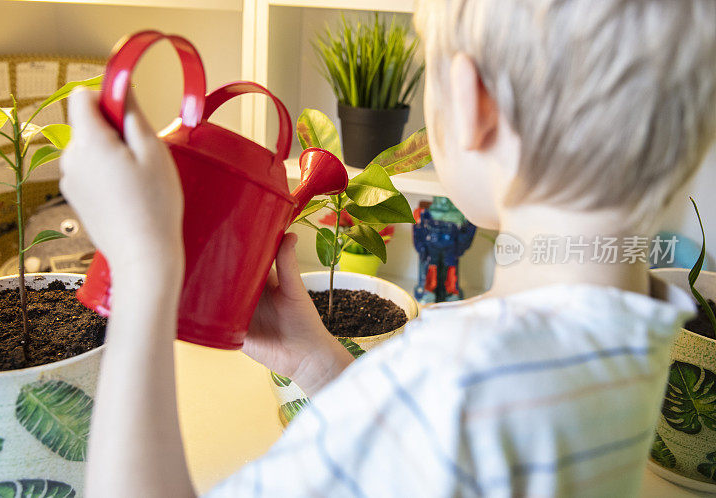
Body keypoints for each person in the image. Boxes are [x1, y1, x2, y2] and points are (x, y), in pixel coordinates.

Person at [59, 0, 716, 495]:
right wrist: (319, 366)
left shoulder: (454, 376)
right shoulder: (635, 320)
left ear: (470, 101)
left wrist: (144, 273)